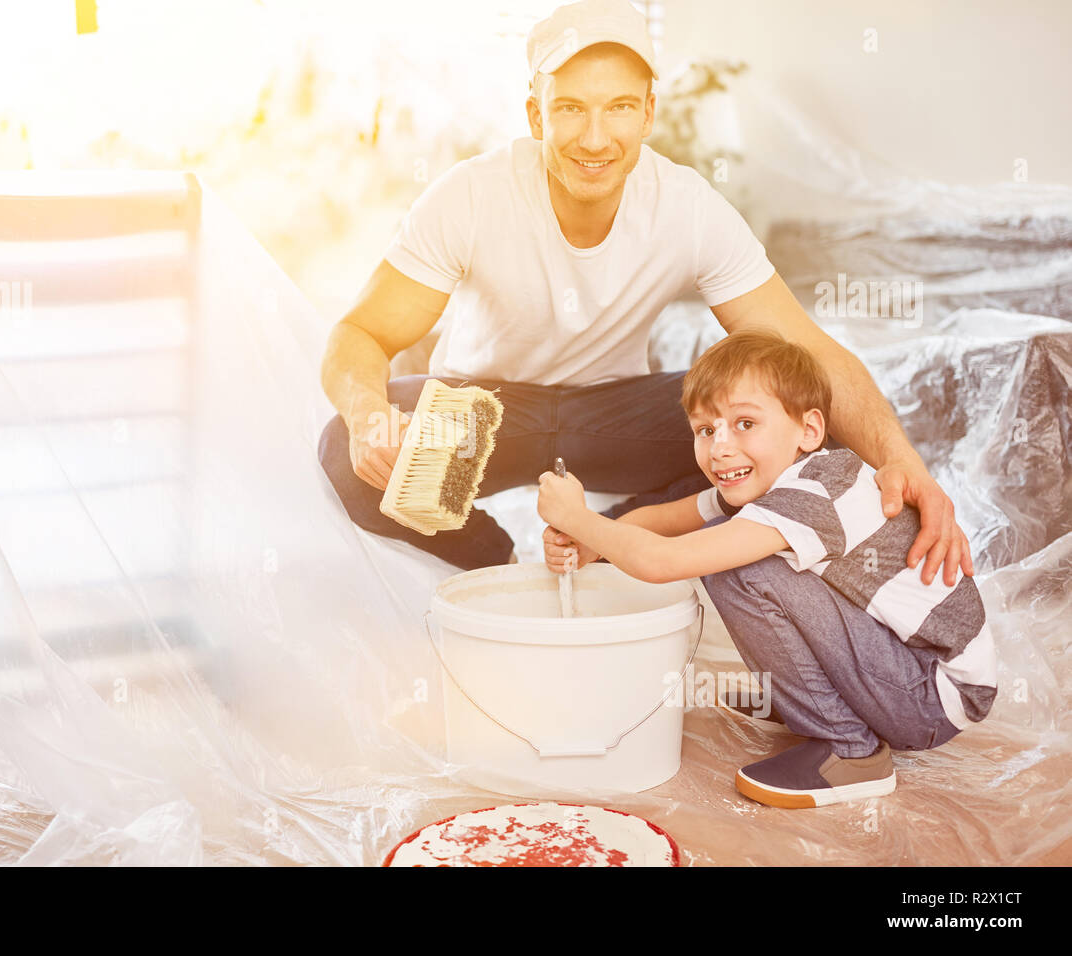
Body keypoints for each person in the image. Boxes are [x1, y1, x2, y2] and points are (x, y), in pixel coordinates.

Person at [318, 0, 974, 588]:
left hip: (613, 418)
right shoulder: (469, 196)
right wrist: (366, 414)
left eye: (620, 108)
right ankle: (499, 563)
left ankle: (606, 543)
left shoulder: (685, 205)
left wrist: (900, 457)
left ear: (648, 112)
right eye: (571, 107)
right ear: (535, 114)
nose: (595, 138)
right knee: (343, 456)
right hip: (481, 415)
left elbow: (808, 351)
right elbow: (362, 334)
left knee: (793, 434)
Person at [536, 328, 998, 808]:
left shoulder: (814, 494)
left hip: (932, 695)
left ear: (809, 430)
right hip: (912, 672)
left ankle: (849, 749)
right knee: (726, 546)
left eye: (745, 424)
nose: (720, 448)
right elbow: (669, 520)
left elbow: (662, 560)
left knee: (737, 568)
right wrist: (594, 544)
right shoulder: (778, 480)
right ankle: (822, 702)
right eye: (706, 429)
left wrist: (577, 517)